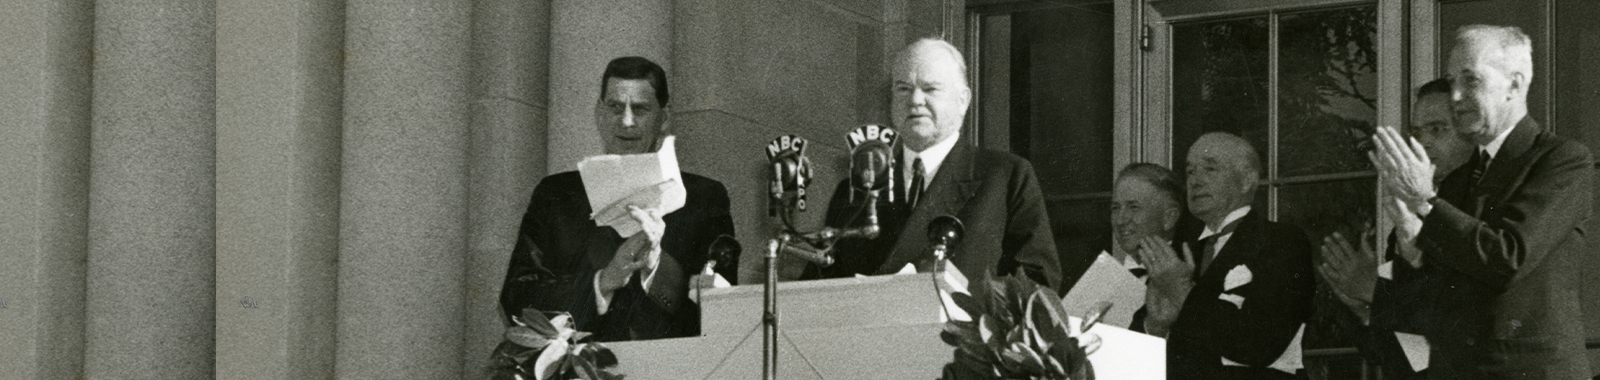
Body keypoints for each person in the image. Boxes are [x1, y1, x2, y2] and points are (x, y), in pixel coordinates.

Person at [1370, 25, 1594, 379]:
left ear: (1515, 84)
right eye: (1451, 80)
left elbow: (1507, 256)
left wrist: (1426, 201)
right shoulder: (1459, 182)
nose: (1456, 95)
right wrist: (1411, 257)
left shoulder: (1561, 160)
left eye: (1470, 80)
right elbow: (1422, 321)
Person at [498, 56, 738, 342]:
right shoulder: (556, 194)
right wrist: (603, 282)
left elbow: (726, 309)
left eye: (640, 108)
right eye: (615, 107)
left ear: (664, 117)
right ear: (599, 113)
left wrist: (656, 267)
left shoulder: (705, 198)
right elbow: (516, 297)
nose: (626, 121)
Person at [802, 38, 1061, 290]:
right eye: (903, 88)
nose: (915, 100)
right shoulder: (856, 190)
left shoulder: (1006, 177)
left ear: (963, 100)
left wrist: (955, 292)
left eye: (930, 89)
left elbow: (1039, 283)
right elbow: (817, 288)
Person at [1318, 78, 1471, 380]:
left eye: (1438, 129)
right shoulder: (1403, 222)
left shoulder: (1480, 216)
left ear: (1473, 133)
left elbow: (1459, 318)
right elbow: (1386, 351)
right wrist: (1363, 310)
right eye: (1416, 132)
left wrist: (1372, 290)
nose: (1422, 143)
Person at [1139, 132, 1315, 380]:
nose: (1195, 181)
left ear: (1246, 180)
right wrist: (1155, 328)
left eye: (1210, 169)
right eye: (1190, 172)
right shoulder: (1178, 254)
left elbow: (1262, 344)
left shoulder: (1281, 242)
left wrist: (1183, 294)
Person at [1098, 163, 1186, 333]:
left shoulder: (1185, 276)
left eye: (1134, 207)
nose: (1121, 219)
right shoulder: (1103, 278)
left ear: (1169, 218)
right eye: (1115, 208)